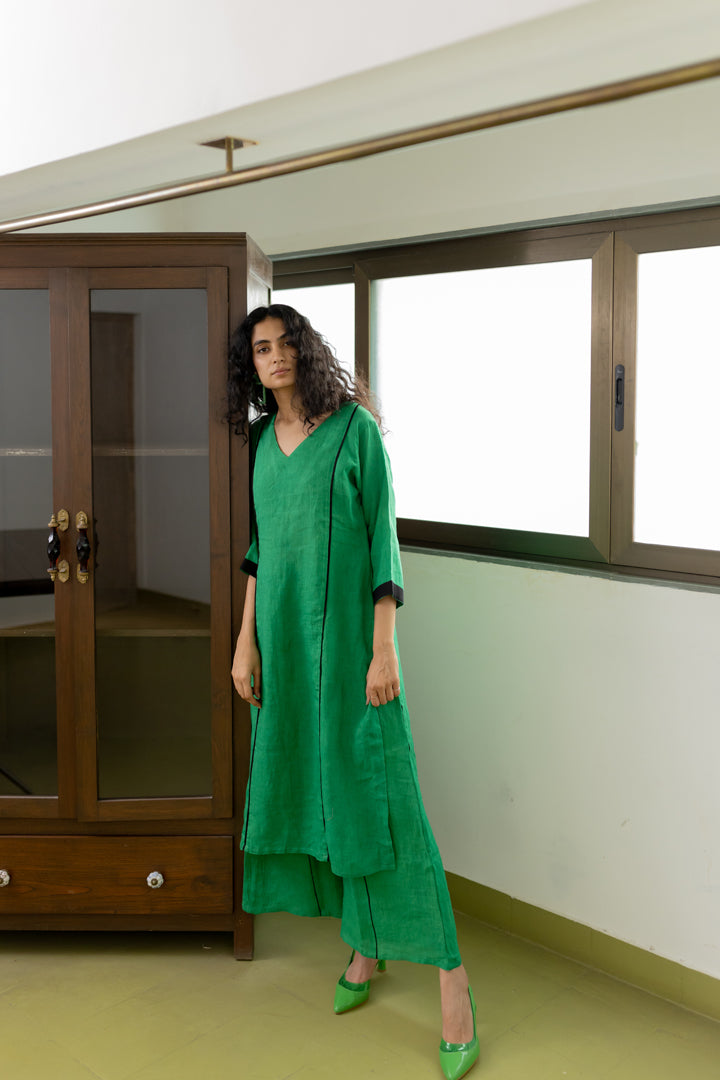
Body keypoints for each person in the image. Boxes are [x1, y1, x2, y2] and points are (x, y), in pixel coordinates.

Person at [228, 304, 478, 1080]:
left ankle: (454, 984)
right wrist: (245, 640)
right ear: (251, 365)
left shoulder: (354, 431)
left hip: (352, 655)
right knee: (322, 792)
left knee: (384, 802)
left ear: (305, 350)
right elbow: (261, 550)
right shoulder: (261, 445)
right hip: (284, 654)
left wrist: (383, 648)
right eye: (260, 348)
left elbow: (382, 540)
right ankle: (366, 950)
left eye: (285, 343)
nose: (275, 356)